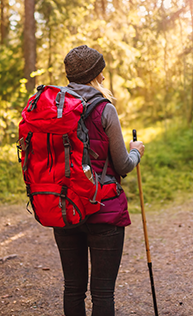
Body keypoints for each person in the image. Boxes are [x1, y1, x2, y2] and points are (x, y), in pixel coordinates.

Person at [54, 45, 145, 316]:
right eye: (100, 72)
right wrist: (136, 151)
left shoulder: (55, 108)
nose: (104, 77)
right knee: (103, 292)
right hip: (103, 210)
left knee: (73, 288)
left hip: (66, 207)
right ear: (93, 75)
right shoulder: (105, 110)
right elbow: (123, 165)